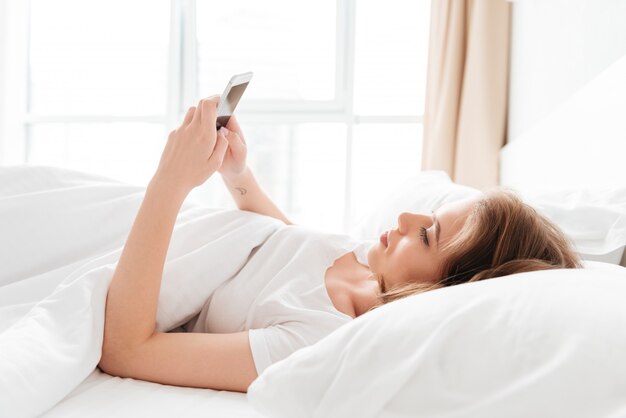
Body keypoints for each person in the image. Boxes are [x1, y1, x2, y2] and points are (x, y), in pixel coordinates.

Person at [98, 96, 581, 393]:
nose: (406, 218)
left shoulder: (319, 340)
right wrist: (238, 174)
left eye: (427, 235)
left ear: (443, 293)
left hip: (119, 254)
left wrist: (170, 180)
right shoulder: (376, 265)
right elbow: (281, 246)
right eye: (428, 217)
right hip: (151, 223)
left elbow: (127, 350)